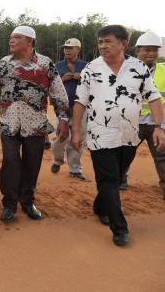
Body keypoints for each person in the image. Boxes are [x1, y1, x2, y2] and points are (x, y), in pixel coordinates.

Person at [71, 25, 165, 246]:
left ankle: (100, 206)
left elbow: (152, 98)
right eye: (100, 42)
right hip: (100, 134)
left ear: (123, 44)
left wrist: (159, 126)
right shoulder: (91, 69)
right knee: (110, 179)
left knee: (115, 175)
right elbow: (80, 102)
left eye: (108, 41)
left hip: (129, 135)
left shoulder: (138, 68)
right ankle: (119, 228)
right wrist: (76, 130)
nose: (102, 46)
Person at [0, 25, 69, 222]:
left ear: (30, 42)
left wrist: (63, 119)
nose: (11, 41)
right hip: (8, 121)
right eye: (11, 38)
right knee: (11, 161)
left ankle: (28, 202)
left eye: (17, 38)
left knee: (32, 164)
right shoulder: (4, 63)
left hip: (35, 124)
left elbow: (59, 94)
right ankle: (10, 204)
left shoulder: (45, 64)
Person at [129, 31, 165, 196]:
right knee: (124, 154)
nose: (151, 53)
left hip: (157, 124)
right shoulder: (126, 70)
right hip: (132, 122)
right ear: (137, 51)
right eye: (147, 49)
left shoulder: (163, 71)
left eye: (155, 50)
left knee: (162, 157)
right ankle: (120, 182)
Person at [50, 38, 88, 180]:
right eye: (65, 48)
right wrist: (63, 79)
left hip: (81, 109)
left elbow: (94, 85)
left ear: (78, 49)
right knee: (59, 138)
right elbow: (50, 85)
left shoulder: (86, 66)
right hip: (61, 110)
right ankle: (58, 160)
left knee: (79, 139)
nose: (67, 50)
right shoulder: (57, 66)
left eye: (70, 48)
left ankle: (75, 169)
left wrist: (82, 78)